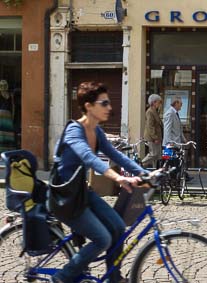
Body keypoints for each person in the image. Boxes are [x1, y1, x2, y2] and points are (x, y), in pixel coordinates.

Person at [51, 82, 151, 283]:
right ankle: (63, 276)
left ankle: (113, 278)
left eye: (109, 103)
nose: (109, 108)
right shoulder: (74, 131)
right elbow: (89, 158)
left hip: (81, 193)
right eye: (104, 103)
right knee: (102, 238)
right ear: (88, 106)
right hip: (65, 199)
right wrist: (118, 177)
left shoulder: (96, 132)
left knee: (117, 226)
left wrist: (145, 173)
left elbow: (116, 155)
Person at [163, 96, 193, 181]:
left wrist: (184, 139)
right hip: (171, 144)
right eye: (181, 104)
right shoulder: (170, 113)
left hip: (176, 142)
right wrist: (169, 142)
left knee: (176, 162)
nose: (182, 106)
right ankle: (174, 180)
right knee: (172, 162)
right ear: (176, 103)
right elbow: (167, 129)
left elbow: (178, 129)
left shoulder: (175, 113)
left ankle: (180, 177)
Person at [142, 94, 163, 168]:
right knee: (153, 154)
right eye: (159, 102)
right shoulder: (150, 112)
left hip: (157, 137)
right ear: (154, 102)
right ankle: (140, 164)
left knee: (158, 156)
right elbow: (150, 126)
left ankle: (155, 171)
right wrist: (155, 137)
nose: (160, 104)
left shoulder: (155, 111)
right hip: (153, 138)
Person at [0, 79, 15, 153]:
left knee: (1, 134)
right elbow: (13, 107)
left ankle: (2, 152)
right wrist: (12, 116)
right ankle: (7, 151)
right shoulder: (10, 95)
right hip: (8, 116)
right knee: (7, 133)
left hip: (1, 116)